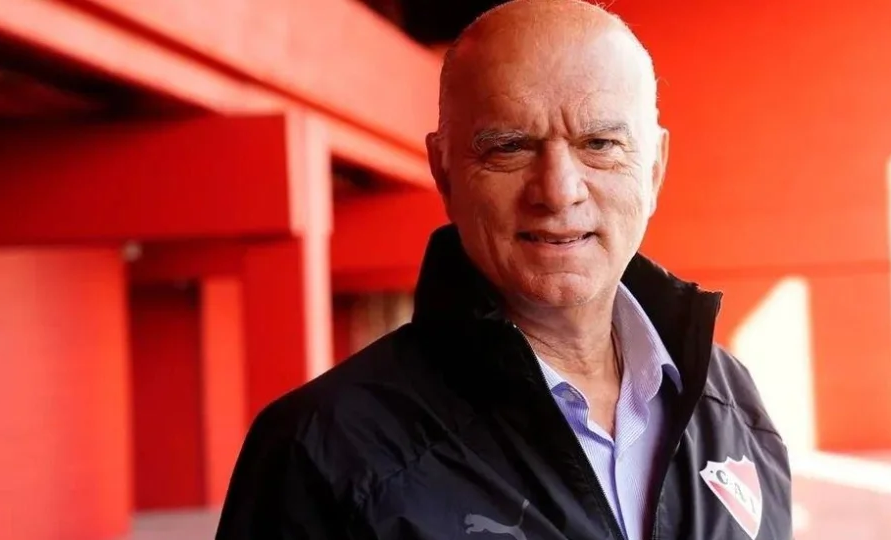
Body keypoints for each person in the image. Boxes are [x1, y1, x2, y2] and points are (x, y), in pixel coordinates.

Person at [215, 0, 793, 538]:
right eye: (510, 147)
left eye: (599, 143)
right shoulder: (320, 453)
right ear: (444, 171)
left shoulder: (728, 399)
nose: (559, 191)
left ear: (656, 169)